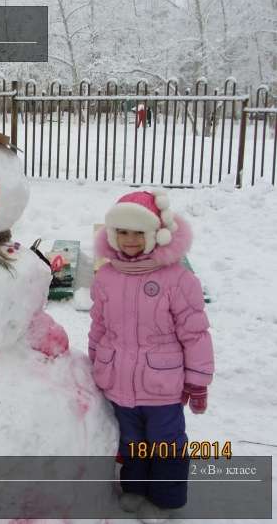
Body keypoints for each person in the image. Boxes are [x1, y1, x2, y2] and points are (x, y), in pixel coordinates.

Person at [88, 190, 214, 523]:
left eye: (138, 233)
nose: (130, 240)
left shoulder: (178, 280)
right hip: (118, 383)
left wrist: (198, 381)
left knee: (165, 445)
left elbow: (195, 333)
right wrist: (93, 365)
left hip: (162, 386)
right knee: (131, 443)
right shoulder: (106, 278)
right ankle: (134, 489)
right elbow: (98, 327)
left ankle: (164, 500)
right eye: (123, 232)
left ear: (155, 235)